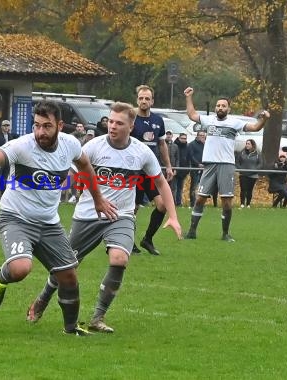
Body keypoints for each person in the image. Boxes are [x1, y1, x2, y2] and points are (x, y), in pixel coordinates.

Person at [0, 100, 118, 335]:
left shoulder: (70, 145)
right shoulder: (22, 146)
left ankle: (70, 330)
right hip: (15, 218)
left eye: (46, 126)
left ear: (60, 125)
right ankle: (1, 278)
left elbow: (86, 166)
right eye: (36, 125)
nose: (40, 132)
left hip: (49, 223)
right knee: (20, 268)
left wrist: (98, 199)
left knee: (68, 275)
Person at [26, 102, 182, 333]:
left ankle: (98, 317)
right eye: (110, 121)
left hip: (121, 216)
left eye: (119, 123)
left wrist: (174, 216)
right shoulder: (93, 147)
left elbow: (160, 182)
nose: (113, 126)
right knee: (66, 267)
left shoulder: (141, 152)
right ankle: (43, 298)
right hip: (88, 215)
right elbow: (69, 173)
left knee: (119, 259)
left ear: (131, 125)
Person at [183, 87, 270, 241]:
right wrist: (189, 97)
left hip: (226, 165)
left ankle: (225, 233)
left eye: (223, 106)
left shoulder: (234, 122)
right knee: (200, 198)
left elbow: (255, 127)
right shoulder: (208, 120)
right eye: (218, 105)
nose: (220, 108)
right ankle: (192, 231)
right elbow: (191, 114)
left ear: (228, 109)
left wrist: (264, 119)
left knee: (227, 201)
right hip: (210, 165)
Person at [130, 84, 173, 255]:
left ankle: (147, 239)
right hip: (134, 172)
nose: (143, 101)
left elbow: (162, 144)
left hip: (151, 172)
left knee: (162, 205)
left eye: (147, 98)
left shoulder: (158, 120)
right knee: (132, 209)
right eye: (141, 98)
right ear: (137, 99)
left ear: (152, 101)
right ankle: (127, 241)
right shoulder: (131, 119)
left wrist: (168, 165)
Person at [0, 119, 18, 201]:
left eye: (8, 125)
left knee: (4, 178)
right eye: (4, 125)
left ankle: (2, 194)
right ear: (1, 127)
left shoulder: (11, 136)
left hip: (8, 159)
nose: (6, 127)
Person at [236, 139, 261, 208]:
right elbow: (237, 162)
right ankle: (242, 204)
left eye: (248, 144)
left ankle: (248, 204)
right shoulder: (242, 152)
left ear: (252, 145)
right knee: (243, 189)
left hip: (253, 175)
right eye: (246, 143)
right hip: (243, 174)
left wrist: (254, 170)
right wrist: (241, 169)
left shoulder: (257, 154)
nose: (247, 145)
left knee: (250, 190)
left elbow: (260, 164)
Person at [187, 131, 206, 208]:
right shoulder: (192, 144)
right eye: (200, 135)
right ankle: (193, 203)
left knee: (202, 187)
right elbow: (191, 156)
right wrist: (198, 164)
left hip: (204, 169)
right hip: (195, 168)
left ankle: (200, 203)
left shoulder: (206, 145)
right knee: (194, 187)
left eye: (203, 135)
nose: (202, 137)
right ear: (197, 136)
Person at [174, 132, 190, 206]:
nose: (184, 140)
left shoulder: (187, 146)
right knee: (174, 188)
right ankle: (173, 202)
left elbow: (189, 158)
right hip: (175, 170)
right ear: (179, 138)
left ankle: (178, 202)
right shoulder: (175, 146)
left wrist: (187, 170)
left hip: (183, 171)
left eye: (185, 138)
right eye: (182, 138)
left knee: (180, 188)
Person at [163, 130, 179, 197]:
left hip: (172, 169)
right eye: (167, 134)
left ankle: (173, 201)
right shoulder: (162, 145)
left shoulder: (175, 146)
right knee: (163, 186)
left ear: (172, 136)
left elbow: (177, 158)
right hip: (163, 168)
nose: (168, 135)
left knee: (173, 187)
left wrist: (176, 169)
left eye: (170, 134)